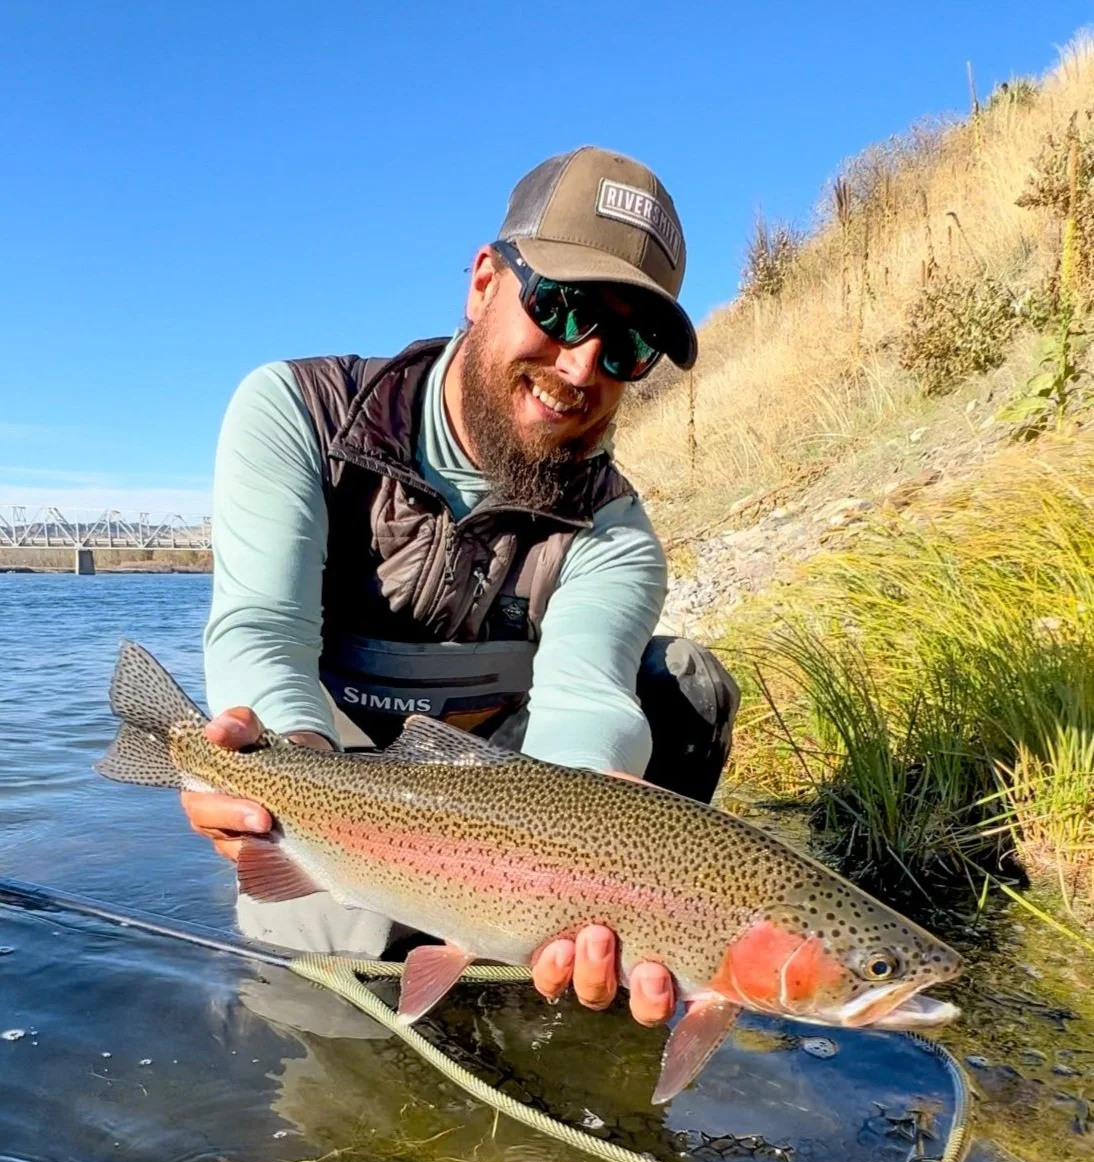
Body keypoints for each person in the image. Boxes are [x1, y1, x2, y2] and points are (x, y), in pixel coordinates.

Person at [183, 146, 739, 1032]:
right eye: (562, 308)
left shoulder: (616, 531)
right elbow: (260, 634)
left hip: (513, 795)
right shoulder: (298, 413)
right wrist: (287, 782)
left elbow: (587, 701)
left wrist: (573, 884)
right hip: (335, 769)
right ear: (485, 281)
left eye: (629, 345)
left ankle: (554, 978)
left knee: (682, 684)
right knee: (327, 1020)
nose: (583, 366)